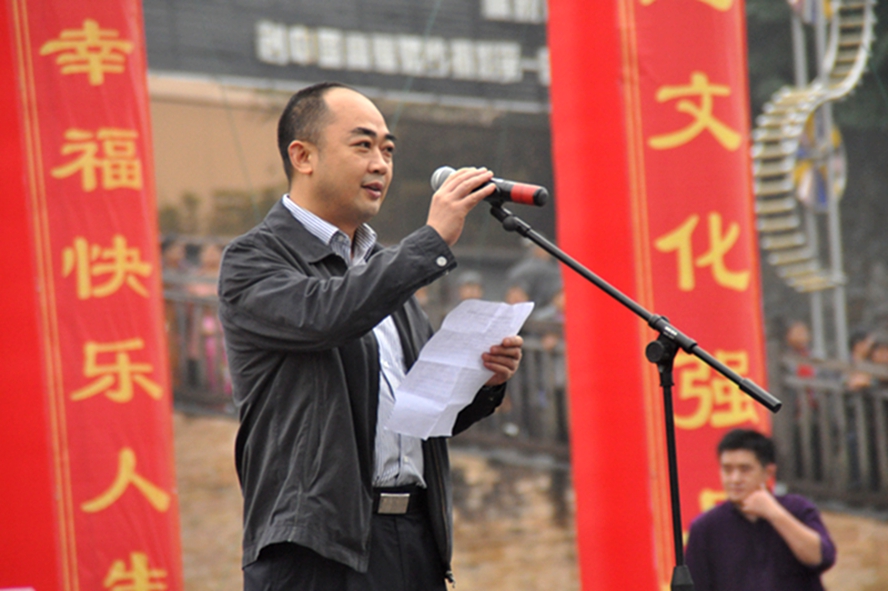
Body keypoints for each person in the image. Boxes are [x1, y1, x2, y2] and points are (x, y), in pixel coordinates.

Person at [216, 81, 524, 591]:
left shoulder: (384, 271)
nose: (380, 164)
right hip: (316, 548)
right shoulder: (253, 260)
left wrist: (484, 381)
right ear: (303, 156)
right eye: (363, 146)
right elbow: (326, 315)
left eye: (388, 150)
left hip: (413, 540)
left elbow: (423, 411)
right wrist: (430, 241)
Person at [685, 429, 836, 591]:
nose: (735, 479)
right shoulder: (705, 527)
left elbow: (822, 558)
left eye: (745, 469)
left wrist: (774, 513)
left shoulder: (797, 508)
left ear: (768, 472)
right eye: (727, 470)